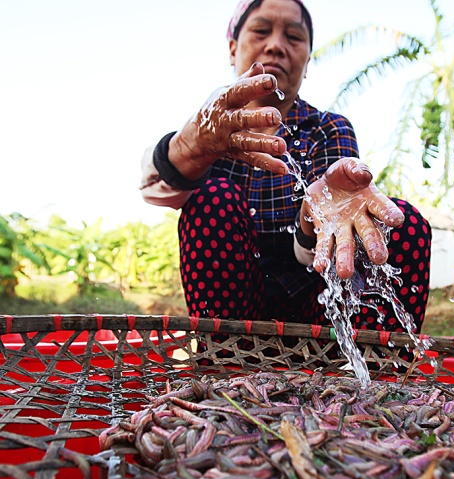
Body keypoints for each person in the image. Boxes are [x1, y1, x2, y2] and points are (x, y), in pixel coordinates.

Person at [140, 0, 432, 341]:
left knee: (403, 222)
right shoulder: (211, 126)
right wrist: (190, 148)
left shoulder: (328, 129)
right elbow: (155, 189)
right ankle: (224, 363)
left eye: (293, 37)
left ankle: (373, 372)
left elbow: (331, 238)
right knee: (212, 198)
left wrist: (313, 216)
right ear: (233, 49)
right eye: (261, 31)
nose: (276, 45)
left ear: (306, 62)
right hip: (231, 312)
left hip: (318, 310)